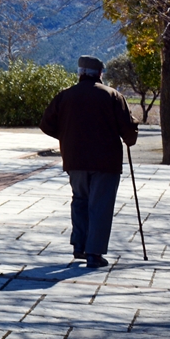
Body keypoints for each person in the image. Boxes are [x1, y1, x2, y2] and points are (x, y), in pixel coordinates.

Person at [40, 55, 138, 268]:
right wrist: (131, 136)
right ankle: (94, 253)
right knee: (100, 205)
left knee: (80, 201)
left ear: (80, 73)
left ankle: (79, 246)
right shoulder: (113, 96)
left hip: (74, 159)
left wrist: (67, 136)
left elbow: (46, 124)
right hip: (106, 161)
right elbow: (128, 130)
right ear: (100, 74)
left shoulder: (65, 96)